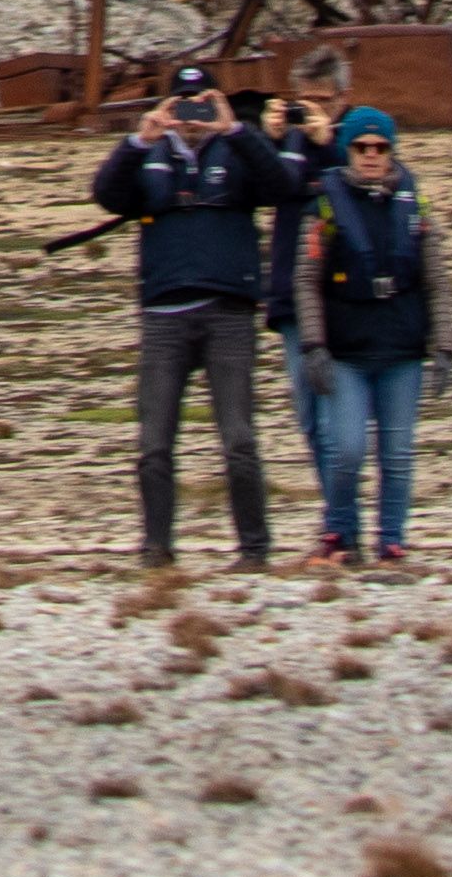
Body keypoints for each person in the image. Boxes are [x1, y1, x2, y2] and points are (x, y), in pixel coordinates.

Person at [87, 60, 311, 571]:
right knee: (154, 442)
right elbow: (106, 195)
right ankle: (157, 548)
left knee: (239, 438)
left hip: (228, 311)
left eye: (202, 103)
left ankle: (254, 550)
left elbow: (281, 187)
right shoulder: (153, 156)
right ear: (168, 107)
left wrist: (236, 130)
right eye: (184, 104)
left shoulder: (236, 149)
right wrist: (140, 140)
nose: (192, 116)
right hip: (164, 312)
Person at [284, 102, 440, 571]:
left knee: (396, 454)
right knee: (346, 448)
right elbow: (306, 281)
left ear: (392, 150)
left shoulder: (416, 205)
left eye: (380, 147)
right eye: (361, 147)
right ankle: (338, 533)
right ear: (347, 149)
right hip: (347, 350)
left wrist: (445, 344)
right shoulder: (325, 206)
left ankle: (391, 542)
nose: (371, 155)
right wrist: (312, 345)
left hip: (402, 349)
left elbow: (438, 279)